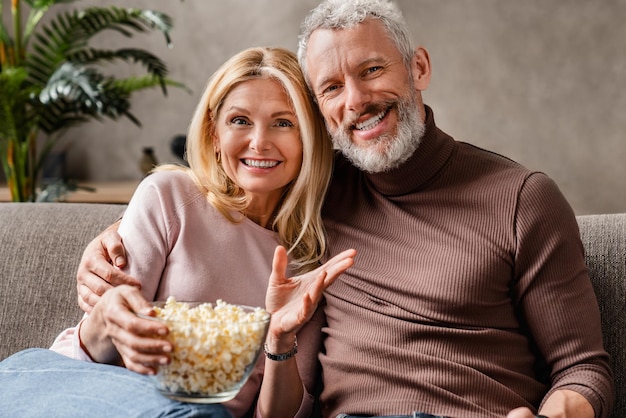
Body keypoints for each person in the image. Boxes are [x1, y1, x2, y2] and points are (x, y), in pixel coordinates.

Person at [74, 1, 615, 417]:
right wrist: (119, 233)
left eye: (373, 70)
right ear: (321, 114)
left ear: (418, 67)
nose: (355, 100)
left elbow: (584, 368)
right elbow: (229, 193)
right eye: (331, 87)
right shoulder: (321, 192)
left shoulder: (522, 198)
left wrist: (558, 411)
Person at [0, 46, 356, 418]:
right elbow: (100, 347)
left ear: (308, 139)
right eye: (239, 121)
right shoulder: (170, 197)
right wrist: (108, 321)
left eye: (283, 123)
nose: (259, 141)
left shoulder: (311, 257)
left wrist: (279, 340)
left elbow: (274, 417)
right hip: (75, 390)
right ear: (214, 134)